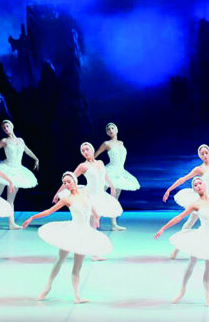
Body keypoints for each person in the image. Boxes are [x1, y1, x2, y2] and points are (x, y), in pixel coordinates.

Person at [23, 171, 112, 303]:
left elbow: (92, 207)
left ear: (75, 181)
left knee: (78, 266)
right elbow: (49, 211)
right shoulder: (66, 199)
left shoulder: (85, 193)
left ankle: (77, 296)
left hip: (84, 234)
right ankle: (48, 287)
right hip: (72, 232)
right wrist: (32, 217)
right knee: (60, 259)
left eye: (69, 182)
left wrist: (97, 217)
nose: (67, 184)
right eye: (64, 183)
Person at [155, 176, 209, 306]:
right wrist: (163, 228)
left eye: (200, 183)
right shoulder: (195, 204)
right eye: (195, 185)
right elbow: (179, 217)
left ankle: (208, 298)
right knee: (192, 263)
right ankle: (181, 291)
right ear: (194, 189)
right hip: (201, 237)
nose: (198, 186)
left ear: (205, 185)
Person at [163, 144, 209, 259]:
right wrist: (169, 189)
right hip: (202, 201)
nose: (205, 155)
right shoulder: (199, 169)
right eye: (202, 154)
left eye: (206, 153)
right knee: (190, 223)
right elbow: (184, 178)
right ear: (200, 156)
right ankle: (176, 249)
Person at [0, 119, 39, 229]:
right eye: (4, 128)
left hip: (18, 172)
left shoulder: (21, 140)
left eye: (7, 126)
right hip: (5, 170)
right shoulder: (4, 141)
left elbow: (27, 150)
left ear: (12, 126)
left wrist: (36, 159)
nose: (6, 129)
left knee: (11, 200)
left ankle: (11, 224)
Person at [55, 142, 122, 232]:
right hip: (90, 195)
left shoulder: (100, 162)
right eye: (83, 151)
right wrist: (58, 193)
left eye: (87, 149)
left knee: (94, 223)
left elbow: (105, 175)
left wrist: (112, 186)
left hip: (101, 195)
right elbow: (70, 179)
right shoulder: (82, 166)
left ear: (92, 150)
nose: (85, 152)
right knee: (91, 224)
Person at [94, 122, 140, 231]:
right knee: (99, 195)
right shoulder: (106, 143)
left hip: (120, 173)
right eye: (108, 129)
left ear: (117, 130)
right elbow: (94, 156)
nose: (110, 130)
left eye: (112, 128)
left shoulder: (121, 143)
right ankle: (92, 221)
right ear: (107, 132)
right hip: (109, 171)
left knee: (114, 199)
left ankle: (114, 224)